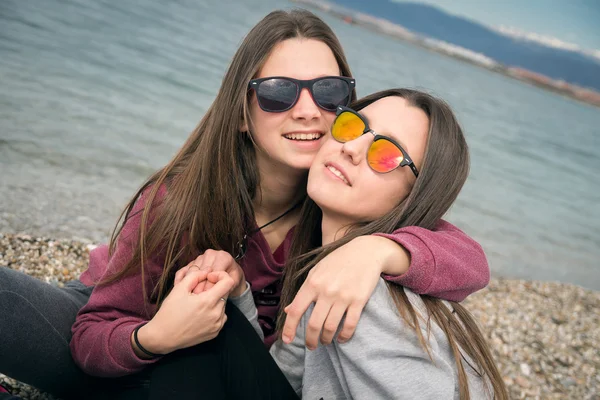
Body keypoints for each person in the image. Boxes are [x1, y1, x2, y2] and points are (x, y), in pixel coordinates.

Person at [0, 9, 488, 399]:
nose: (306, 109)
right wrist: (156, 336)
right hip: (125, 319)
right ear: (240, 114)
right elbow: (92, 336)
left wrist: (376, 252)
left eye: (329, 91)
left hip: (207, 366)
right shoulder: (178, 200)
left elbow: (468, 261)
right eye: (277, 93)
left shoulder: (340, 200)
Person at [147, 89, 509, 399]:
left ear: (415, 197)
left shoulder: (365, 296)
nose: (353, 148)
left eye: (386, 154)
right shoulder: (331, 275)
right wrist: (238, 293)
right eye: (353, 126)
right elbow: (283, 382)